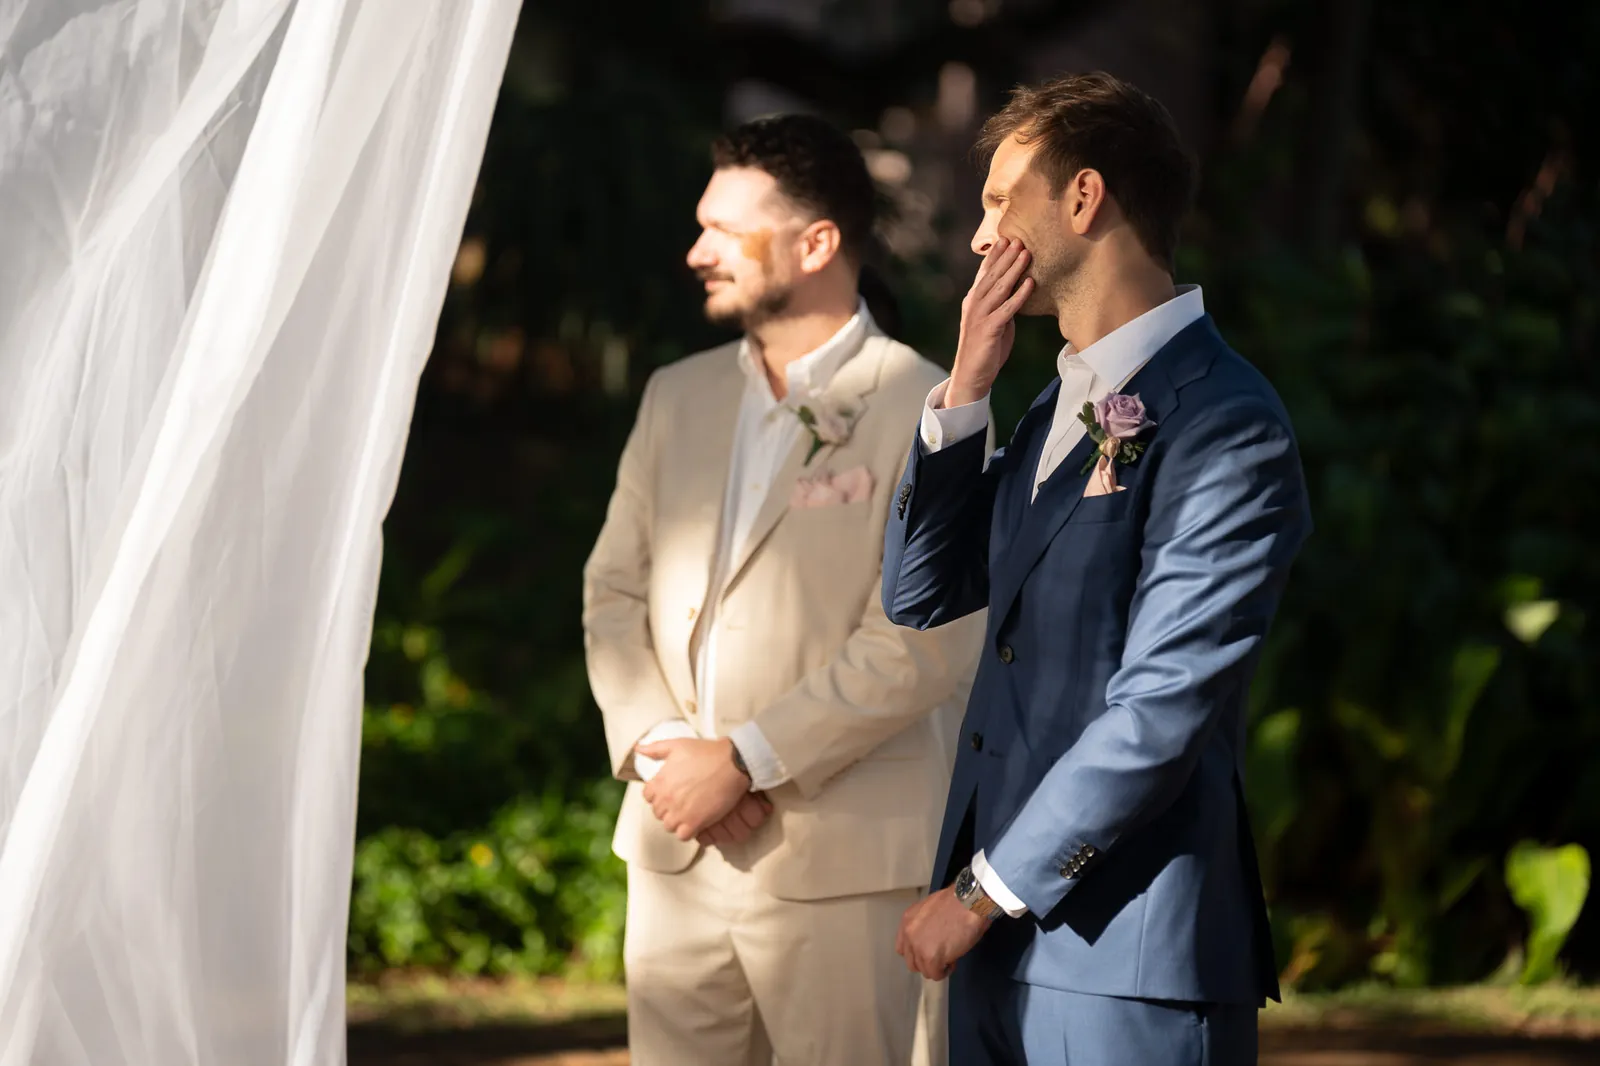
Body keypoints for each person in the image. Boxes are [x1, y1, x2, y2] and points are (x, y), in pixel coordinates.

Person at [882, 72, 1312, 1065]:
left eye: (999, 200)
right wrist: (966, 391)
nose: (982, 236)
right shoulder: (1051, 406)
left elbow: (1161, 706)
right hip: (995, 950)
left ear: (1083, 197)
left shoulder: (1225, 420)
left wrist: (982, 889)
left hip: (1126, 959)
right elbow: (919, 591)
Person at [583, 113, 984, 1066]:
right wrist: (667, 750)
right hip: (675, 849)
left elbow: (924, 639)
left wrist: (748, 760)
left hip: (843, 868)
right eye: (701, 224)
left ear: (817, 243)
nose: (696, 252)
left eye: (725, 230)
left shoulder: (925, 405)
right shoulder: (674, 397)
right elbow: (613, 593)